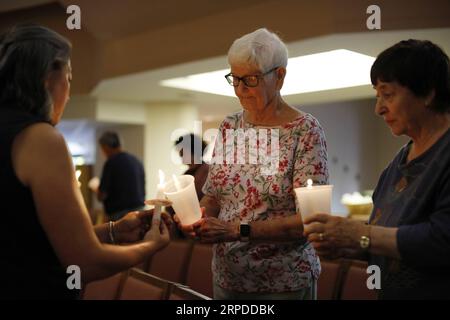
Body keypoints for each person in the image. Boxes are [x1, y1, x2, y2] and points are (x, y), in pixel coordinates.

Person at [0, 24, 170, 299]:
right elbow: (85, 262)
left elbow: (30, 238)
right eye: (68, 77)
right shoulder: (40, 139)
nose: (68, 91)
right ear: (47, 78)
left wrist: (113, 230)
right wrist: (149, 246)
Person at [175, 28, 329, 299]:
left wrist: (236, 230)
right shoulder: (230, 126)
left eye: (251, 80)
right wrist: (198, 217)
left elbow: (309, 220)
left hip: (284, 281)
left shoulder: (304, 131)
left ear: (279, 76)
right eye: (234, 79)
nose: (240, 90)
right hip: (228, 276)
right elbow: (215, 196)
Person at [304, 39, 450, 300]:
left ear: (428, 93)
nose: (378, 108)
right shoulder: (396, 165)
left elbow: (442, 240)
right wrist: (347, 247)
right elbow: (383, 241)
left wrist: (360, 233)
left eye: (388, 94)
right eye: (377, 95)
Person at [95, 131, 146, 221]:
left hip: (119, 216)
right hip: (139, 212)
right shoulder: (136, 160)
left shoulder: (111, 163)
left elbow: (102, 195)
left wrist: (96, 190)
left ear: (106, 147)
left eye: (102, 148)